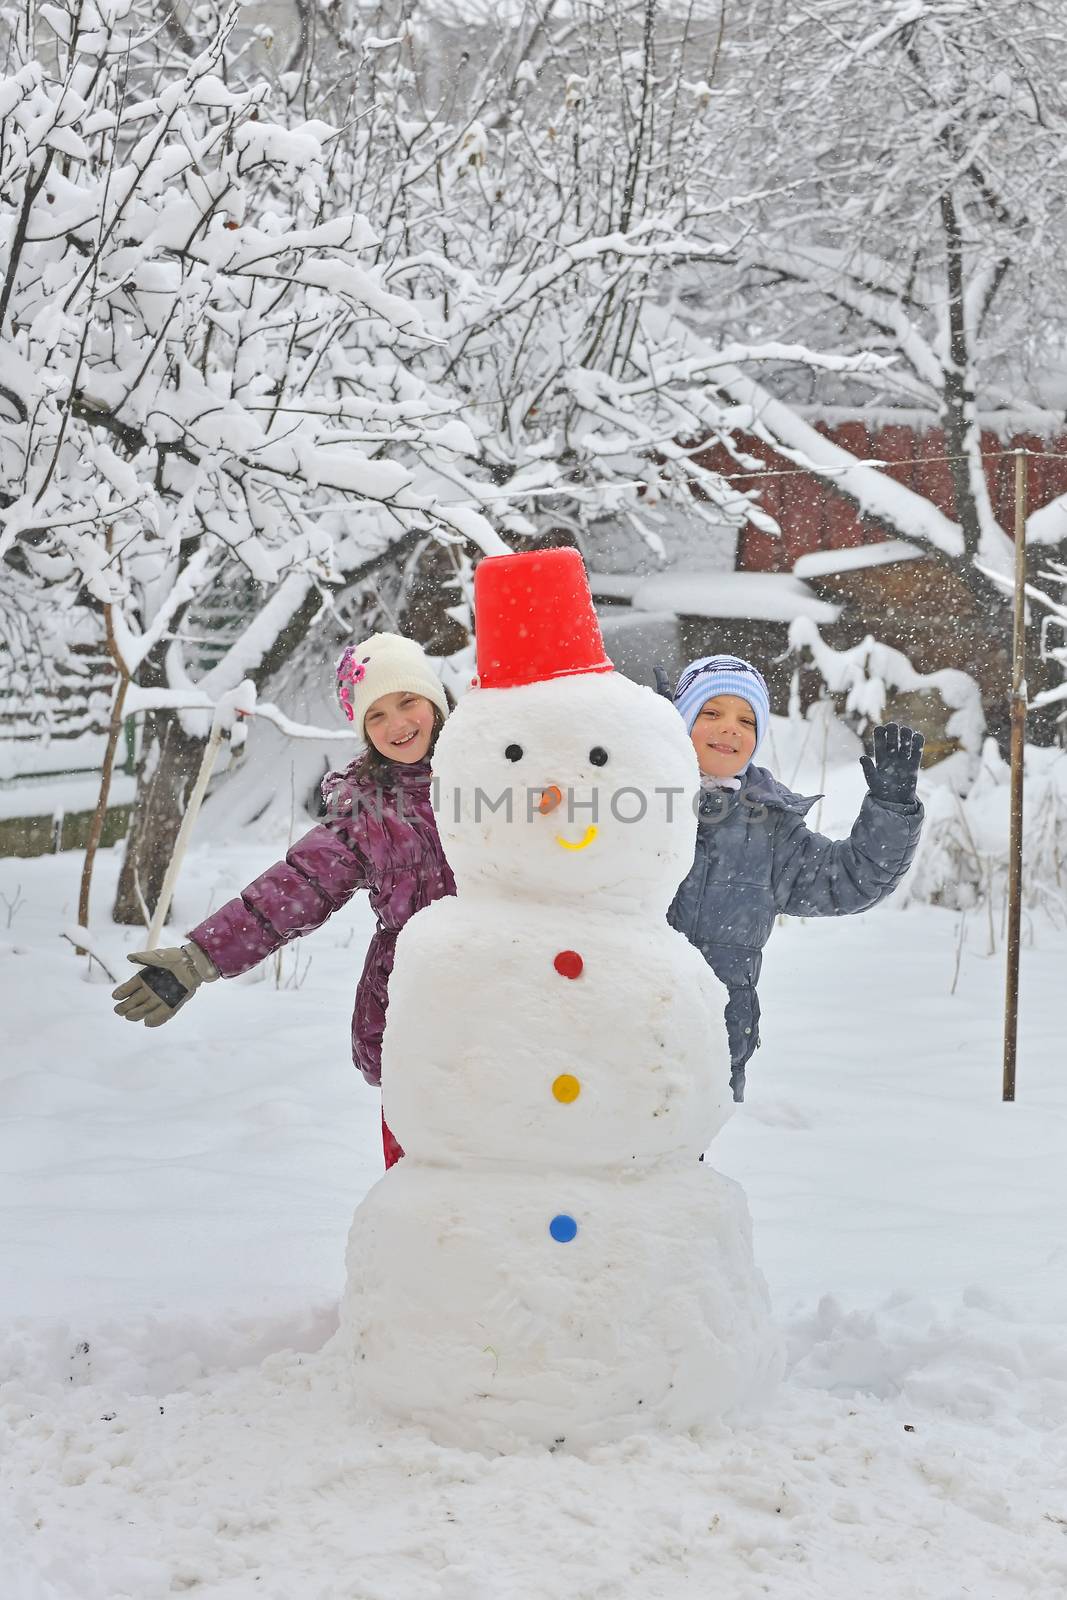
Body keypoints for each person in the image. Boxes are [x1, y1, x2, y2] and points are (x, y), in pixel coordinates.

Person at [111, 634, 455, 1168]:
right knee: (429, 1172)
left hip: (512, 988)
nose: (397, 724)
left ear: (435, 700)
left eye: (407, 701)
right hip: (417, 1001)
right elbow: (295, 888)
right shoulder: (366, 813)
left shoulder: (496, 773)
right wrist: (199, 959)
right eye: (377, 716)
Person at [659, 654, 924, 1102]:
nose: (730, 728)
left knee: (681, 1165)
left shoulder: (769, 827)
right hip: (612, 1022)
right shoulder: (633, 801)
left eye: (747, 720)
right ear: (679, 720)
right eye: (711, 712)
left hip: (707, 1040)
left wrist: (892, 809)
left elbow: (851, 879)